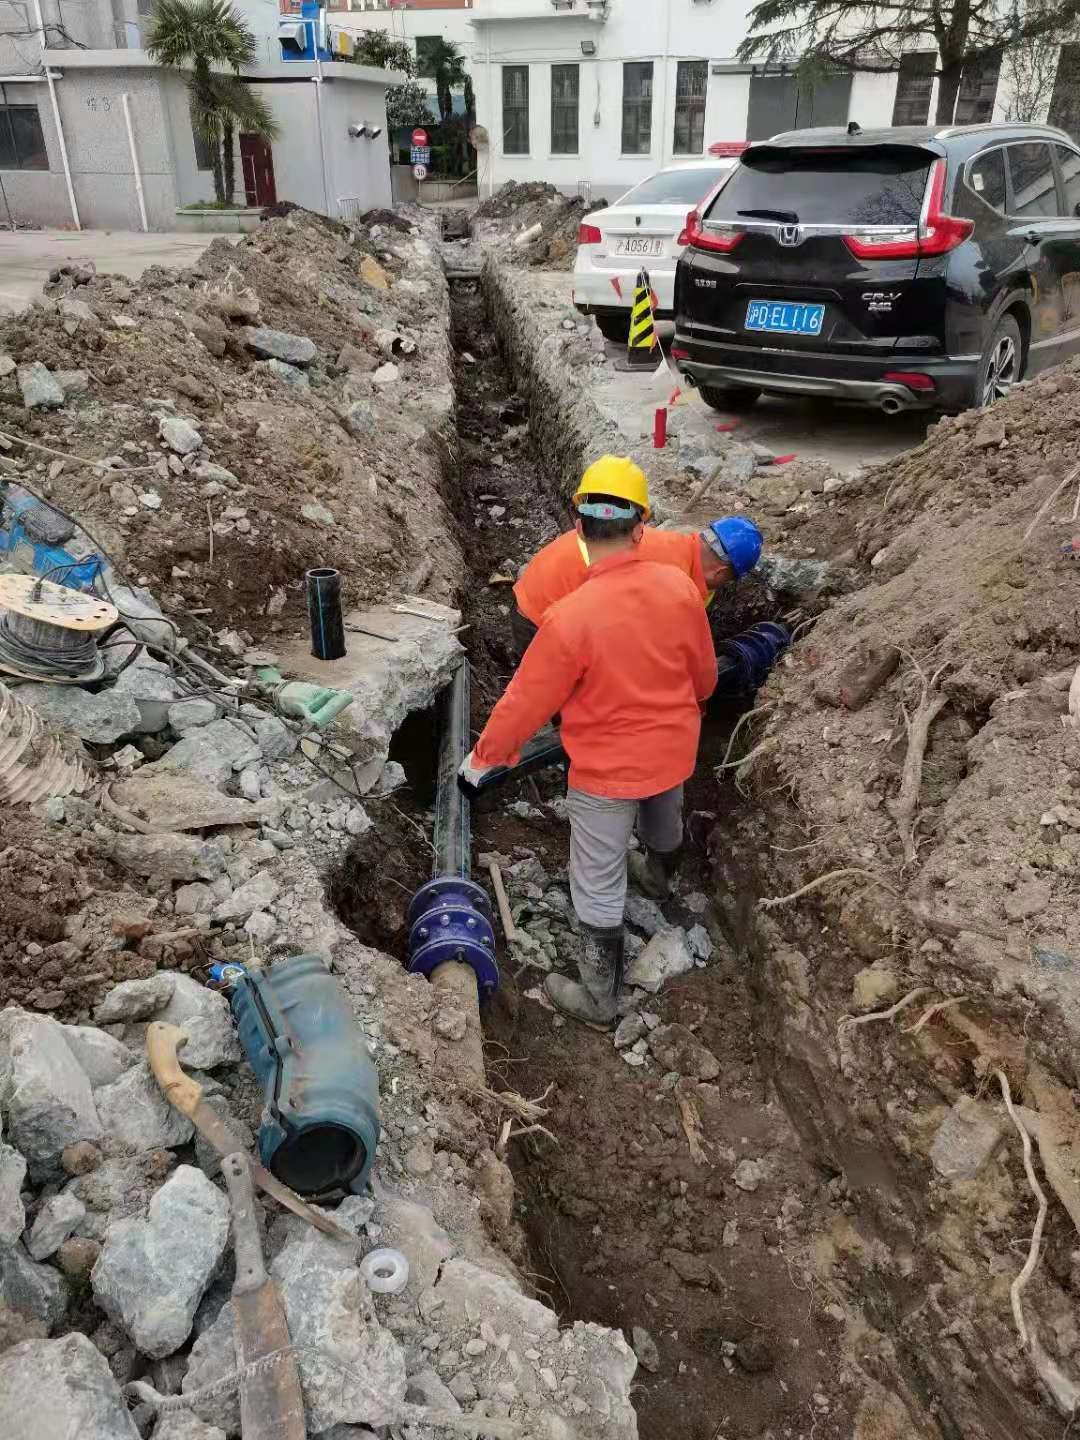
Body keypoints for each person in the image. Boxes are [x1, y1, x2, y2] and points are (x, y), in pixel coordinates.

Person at [459, 466, 718, 1028]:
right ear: (641, 525)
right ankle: (658, 876)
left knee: (598, 879)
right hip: (672, 751)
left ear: (579, 525)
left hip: (606, 771)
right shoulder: (681, 589)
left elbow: (525, 703)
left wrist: (483, 759)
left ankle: (600, 1000)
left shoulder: (570, 618)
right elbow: (703, 678)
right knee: (663, 818)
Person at [511, 456, 763, 660]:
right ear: (720, 573)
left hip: (542, 597)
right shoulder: (671, 585)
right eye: (728, 580)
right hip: (540, 620)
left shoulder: (675, 548)